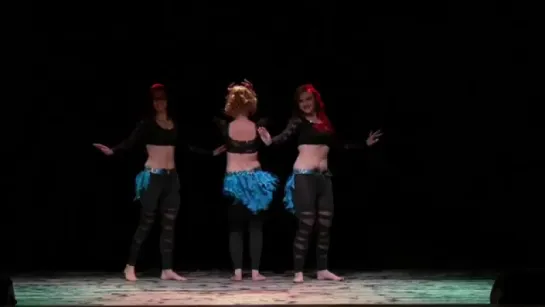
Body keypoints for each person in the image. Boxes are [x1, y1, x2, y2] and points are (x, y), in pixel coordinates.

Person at [93, 83, 222, 281]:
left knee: (169, 224)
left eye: (162, 99)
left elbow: (186, 147)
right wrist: (113, 150)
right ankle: (130, 266)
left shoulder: (173, 123)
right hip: (152, 176)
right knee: (146, 222)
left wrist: (211, 152)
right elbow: (130, 142)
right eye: (156, 100)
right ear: (152, 103)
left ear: (167, 101)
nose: (159, 103)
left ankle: (167, 269)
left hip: (172, 178)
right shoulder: (147, 123)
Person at [258, 84, 382, 283]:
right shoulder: (297, 121)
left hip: (324, 178)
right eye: (301, 101)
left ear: (315, 100)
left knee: (325, 224)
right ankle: (298, 271)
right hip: (304, 176)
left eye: (308, 99)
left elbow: (340, 146)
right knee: (306, 223)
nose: (305, 104)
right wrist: (269, 141)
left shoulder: (325, 122)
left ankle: (322, 269)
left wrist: (363, 145)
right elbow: (283, 138)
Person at [212, 80, 278, 281]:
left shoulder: (225, 127)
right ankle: (255, 272)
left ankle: (238, 273)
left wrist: (232, 92)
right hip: (255, 179)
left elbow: (218, 113)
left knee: (236, 228)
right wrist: (251, 92)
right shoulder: (259, 126)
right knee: (255, 226)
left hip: (234, 181)